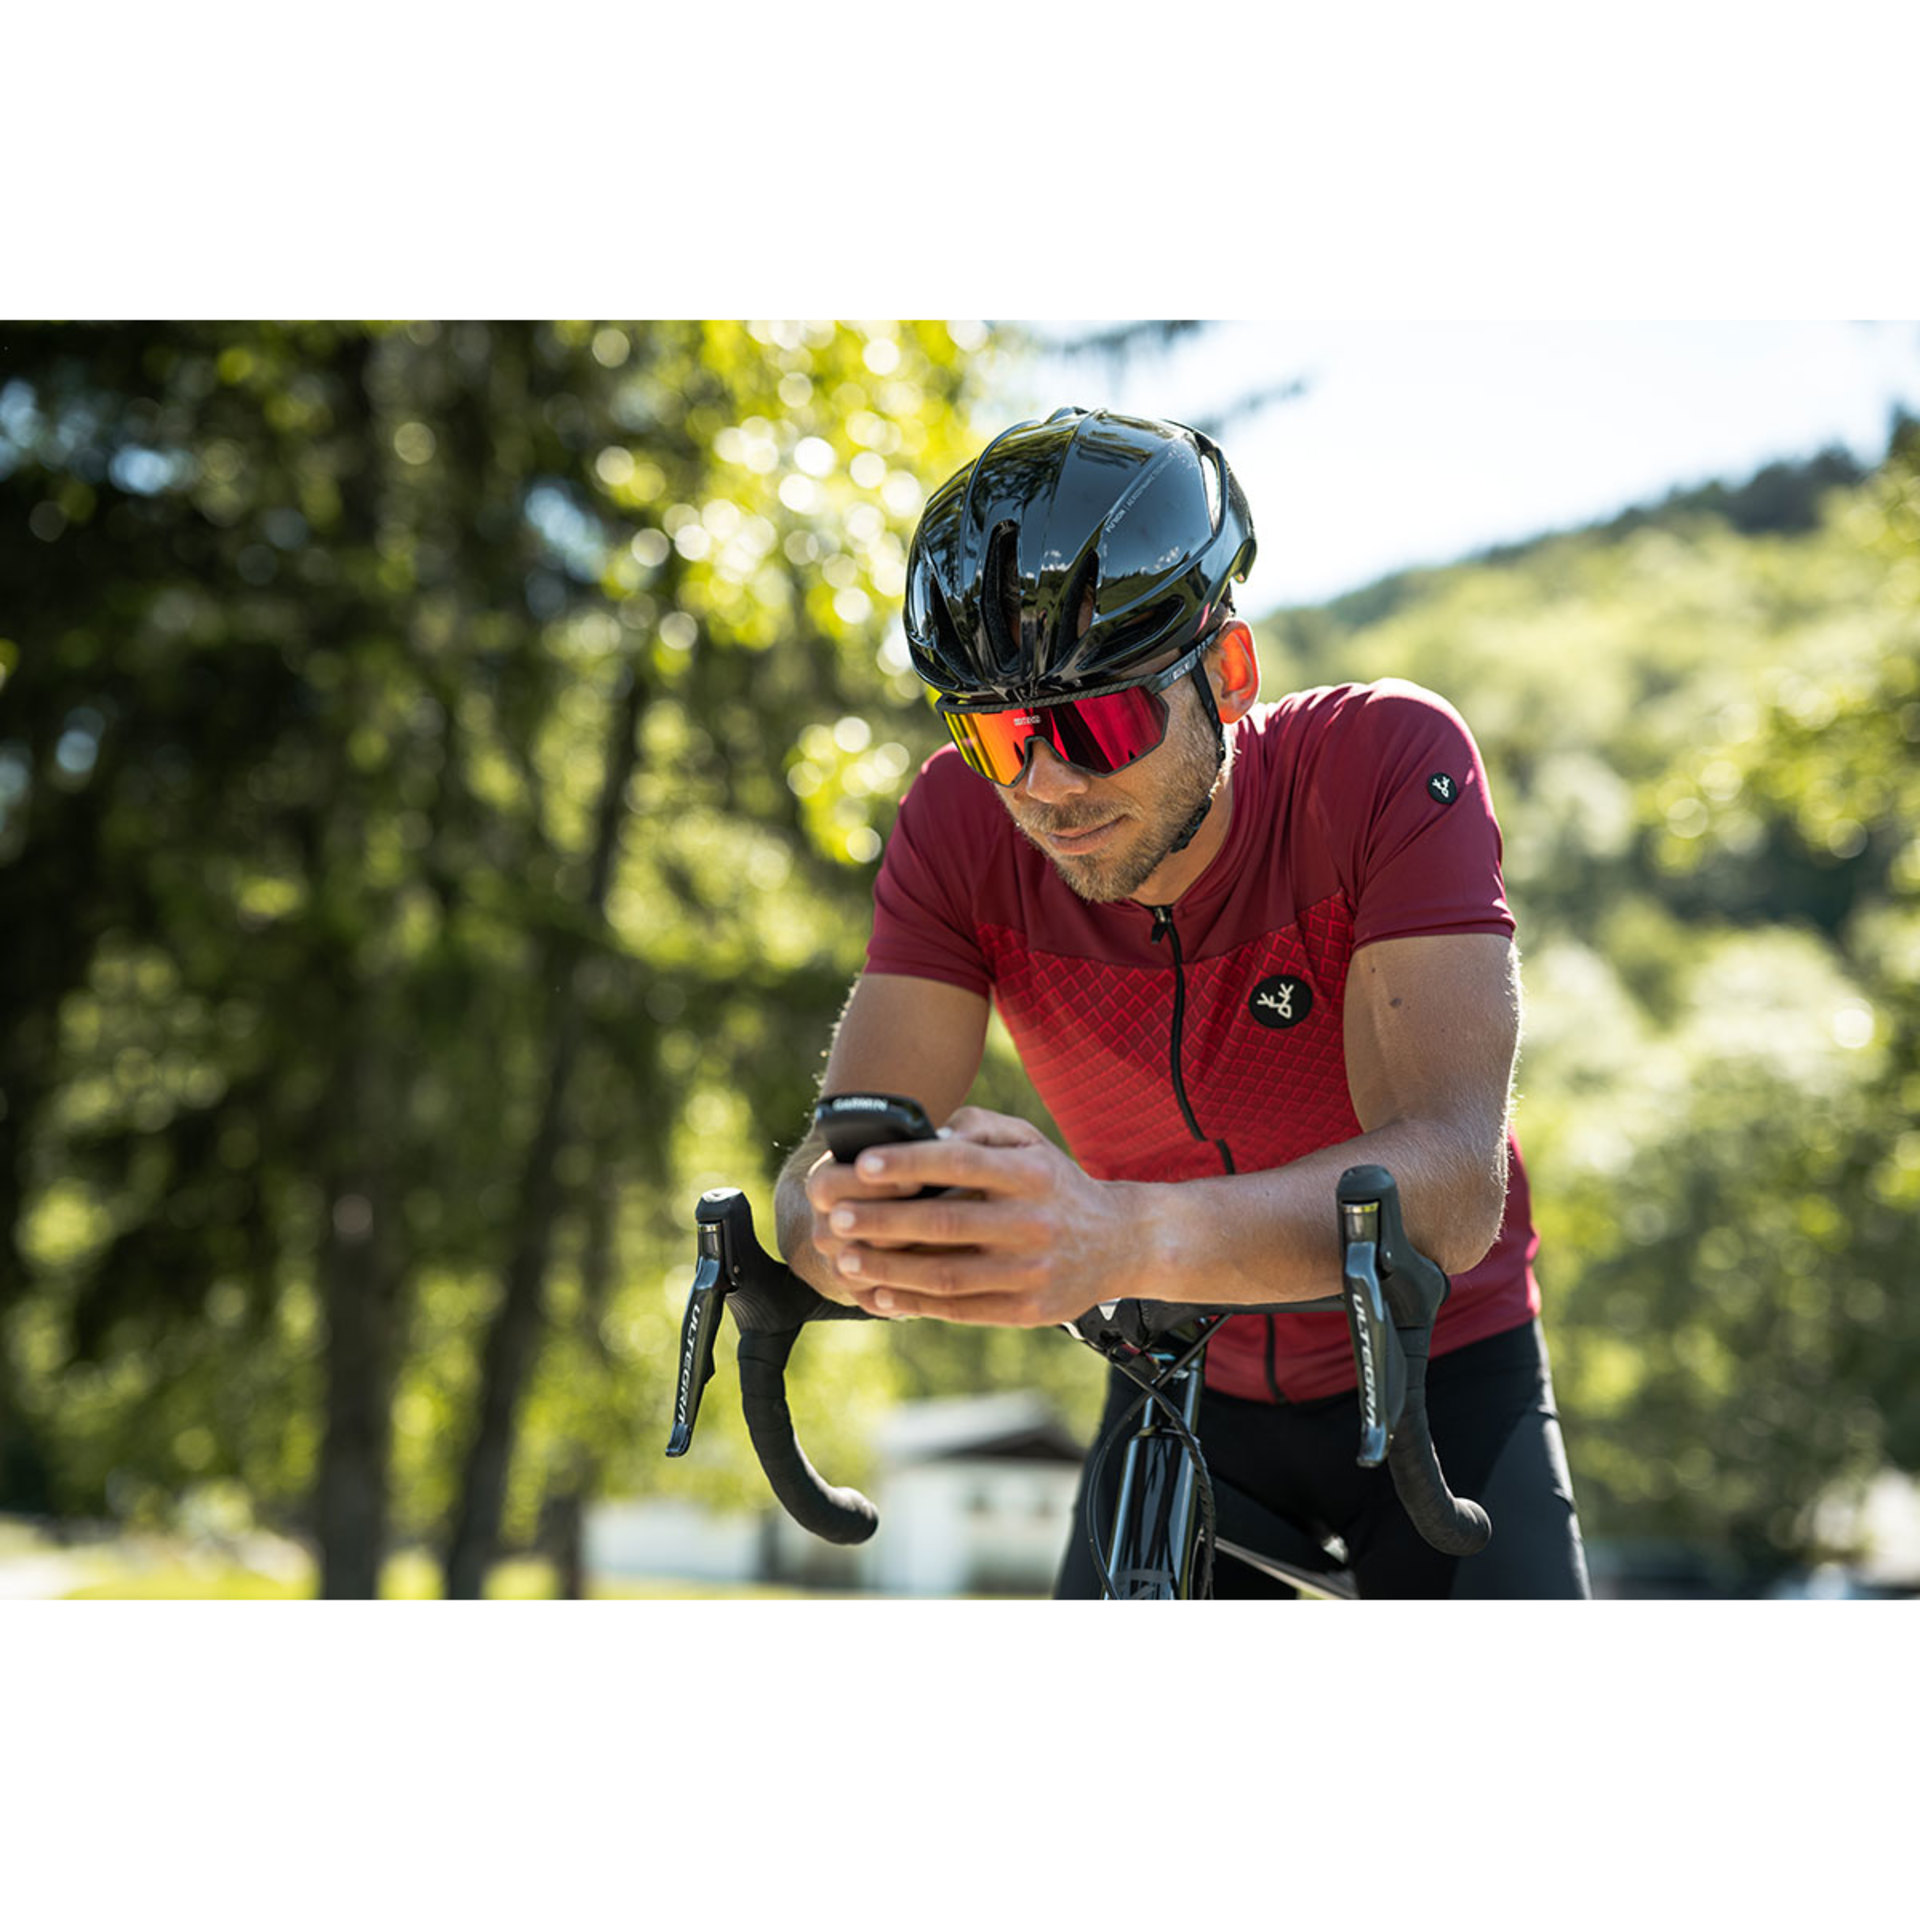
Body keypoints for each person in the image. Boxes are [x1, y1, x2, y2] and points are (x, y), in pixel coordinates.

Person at [773, 406, 1589, 1598]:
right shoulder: (956, 825)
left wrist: (1118, 1236)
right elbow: (818, 1185)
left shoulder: (1381, 767)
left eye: (1098, 721)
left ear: (1230, 674)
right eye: (997, 738)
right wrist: (871, 1230)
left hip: (1439, 1366)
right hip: (1175, 1373)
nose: (1048, 786)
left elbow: (1454, 1187)